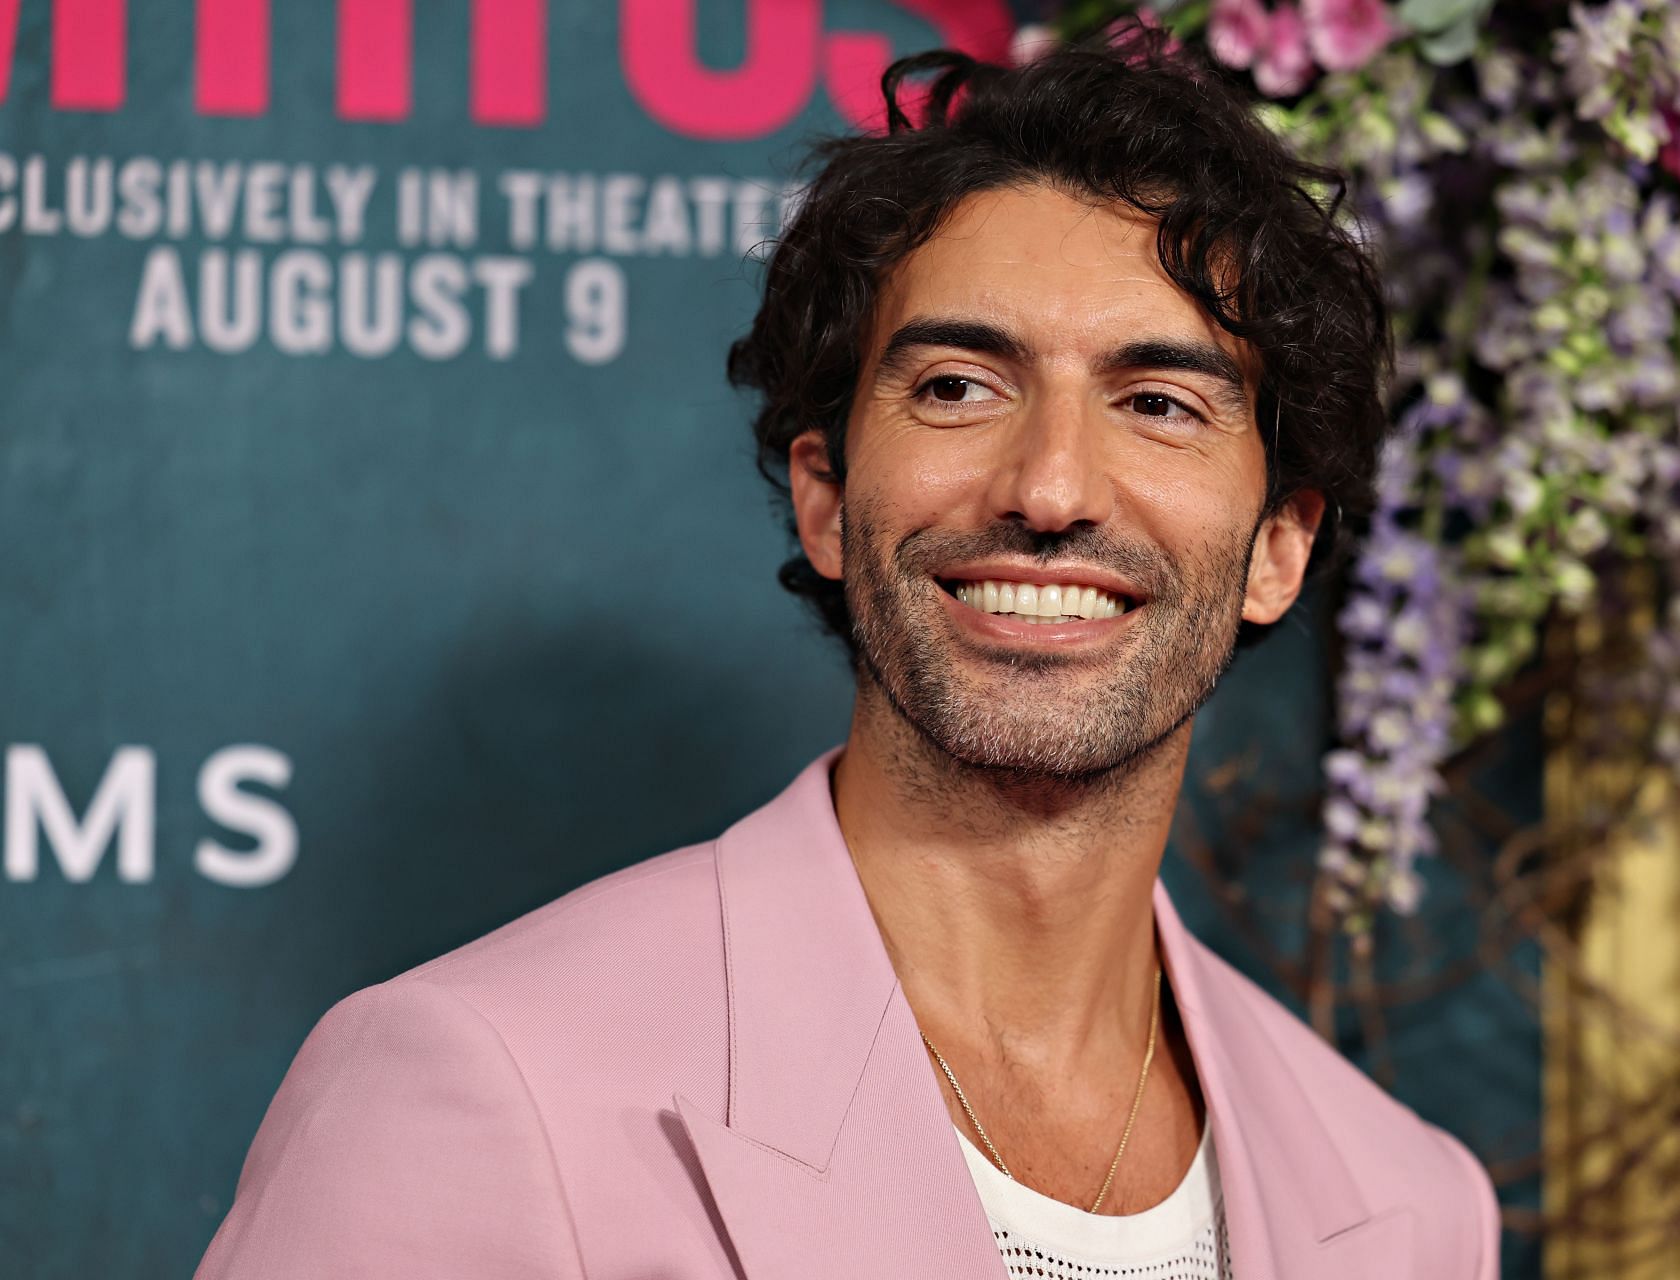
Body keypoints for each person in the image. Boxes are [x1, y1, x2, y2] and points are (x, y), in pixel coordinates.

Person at [195, 23, 1499, 1280]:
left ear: (1280, 543)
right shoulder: (482, 1090)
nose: (1050, 489)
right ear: (825, 495)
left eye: (1159, 404)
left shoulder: (1406, 1206)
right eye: (956, 387)